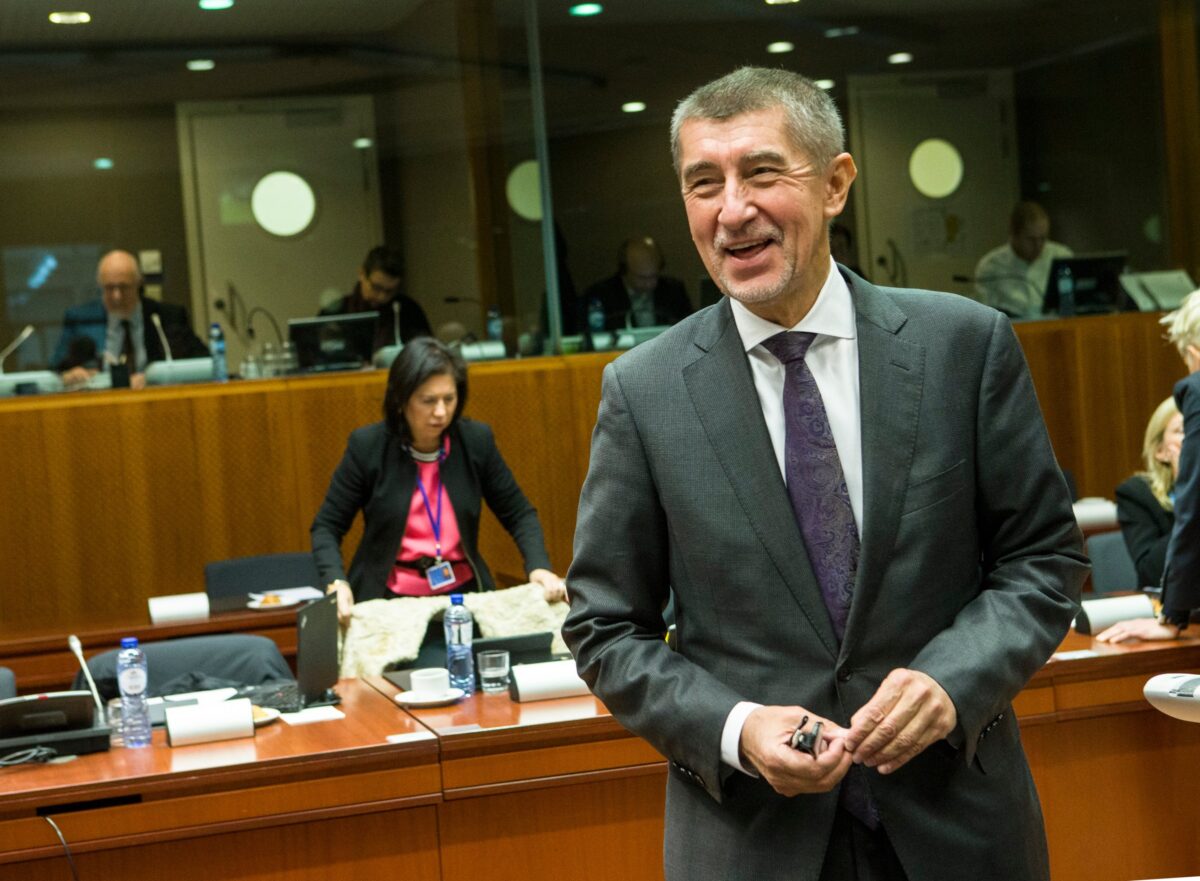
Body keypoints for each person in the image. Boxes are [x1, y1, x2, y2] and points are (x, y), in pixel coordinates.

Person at [562, 67, 1087, 881]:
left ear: (836, 183)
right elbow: (605, 627)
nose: (732, 210)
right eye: (704, 183)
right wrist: (737, 727)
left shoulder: (963, 347)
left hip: (958, 830)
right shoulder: (645, 392)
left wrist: (950, 681)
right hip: (754, 840)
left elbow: (1043, 560)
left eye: (761, 172)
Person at [311, 336, 566, 630]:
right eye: (428, 401)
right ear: (401, 400)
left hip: (464, 598)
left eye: (449, 399)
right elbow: (327, 526)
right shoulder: (368, 447)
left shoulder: (475, 441)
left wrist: (538, 567)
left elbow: (519, 514)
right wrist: (336, 582)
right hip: (389, 603)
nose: (441, 412)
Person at [1103, 290, 1200, 643]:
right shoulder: (1137, 493)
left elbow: (1196, 511)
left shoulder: (1198, 388)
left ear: (1193, 353)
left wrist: (1172, 617)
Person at [51, 250, 208, 390]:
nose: (117, 296)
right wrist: (69, 375)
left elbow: (203, 363)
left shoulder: (166, 317)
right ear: (100, 286)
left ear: (138, 284)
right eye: (109, 288)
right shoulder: (82, 319)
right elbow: (54, 371)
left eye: (124, 287)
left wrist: (154, 377)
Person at [1095, 397, 1183, 643]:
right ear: (1160, 451)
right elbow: (1151, 571)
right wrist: (1191, 497)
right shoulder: (1137, 493)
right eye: (1181, 430)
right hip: (1170, 615)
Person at [320, 245, 432, 352]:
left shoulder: (409, 310)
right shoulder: (335, 313)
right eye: (376, 287)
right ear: (361, 274)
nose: (382, 297)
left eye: (390, 291)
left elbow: (426, 353)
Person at [973, 201, 1072, 319]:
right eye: (1031, 239)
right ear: (1013, 235)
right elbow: (984, 317)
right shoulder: (990, 266)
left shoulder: (1061, 256)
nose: (1038, 245)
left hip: (1056, 327)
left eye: (1042, 238)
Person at [582, 236, 694, 332]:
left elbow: (690, 329)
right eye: (642, 278)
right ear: (624, 271)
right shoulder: (601, 295)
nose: (649, 283)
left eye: (654, 276)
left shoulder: (674, 290)